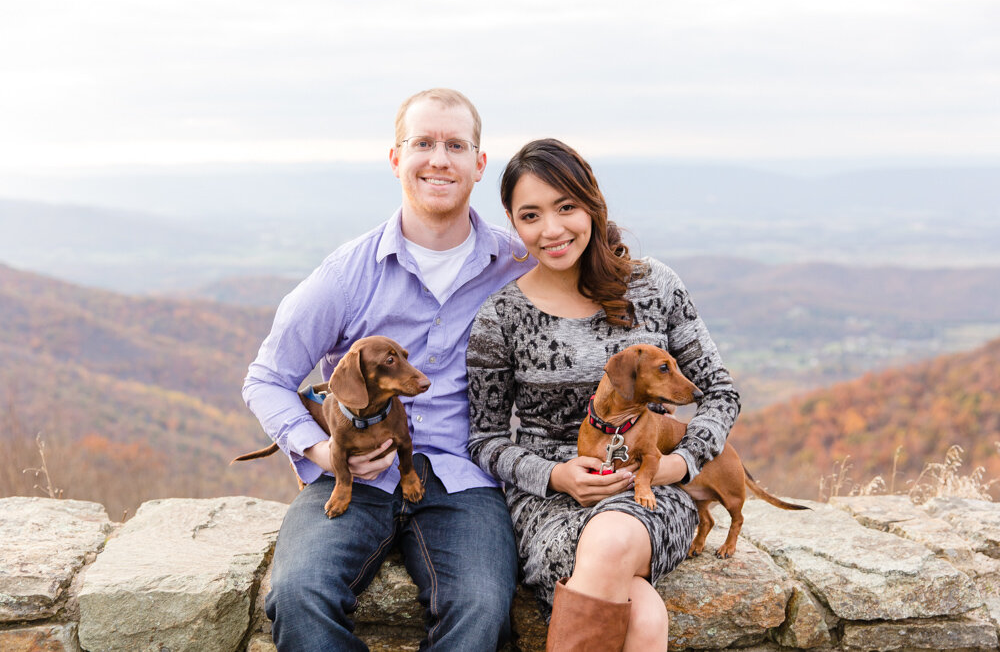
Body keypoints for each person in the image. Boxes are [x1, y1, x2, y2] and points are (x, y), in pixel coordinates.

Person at [242, 88, 533, 651]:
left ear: (478, 162)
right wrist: (320, 450)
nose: (438, 158)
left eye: (455, 144)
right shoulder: (346, 275)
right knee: (299, 592)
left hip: (463, 476)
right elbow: (266, 378)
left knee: (481, 607)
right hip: (352, 474)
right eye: (422, 142)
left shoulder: (515, 265)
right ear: (397, 158)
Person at [466, 138, 741, 651]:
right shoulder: (500, 316)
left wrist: (678, 465)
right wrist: (553, 474)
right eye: (531, 215)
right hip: (547, 502)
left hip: (651, 492)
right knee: (645, 620)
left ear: (592, 203)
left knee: (614, 540)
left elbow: (721, 393)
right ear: (513, 222)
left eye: (566, 207)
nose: (551, 229)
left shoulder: (655, 286)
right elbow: (483, 438)